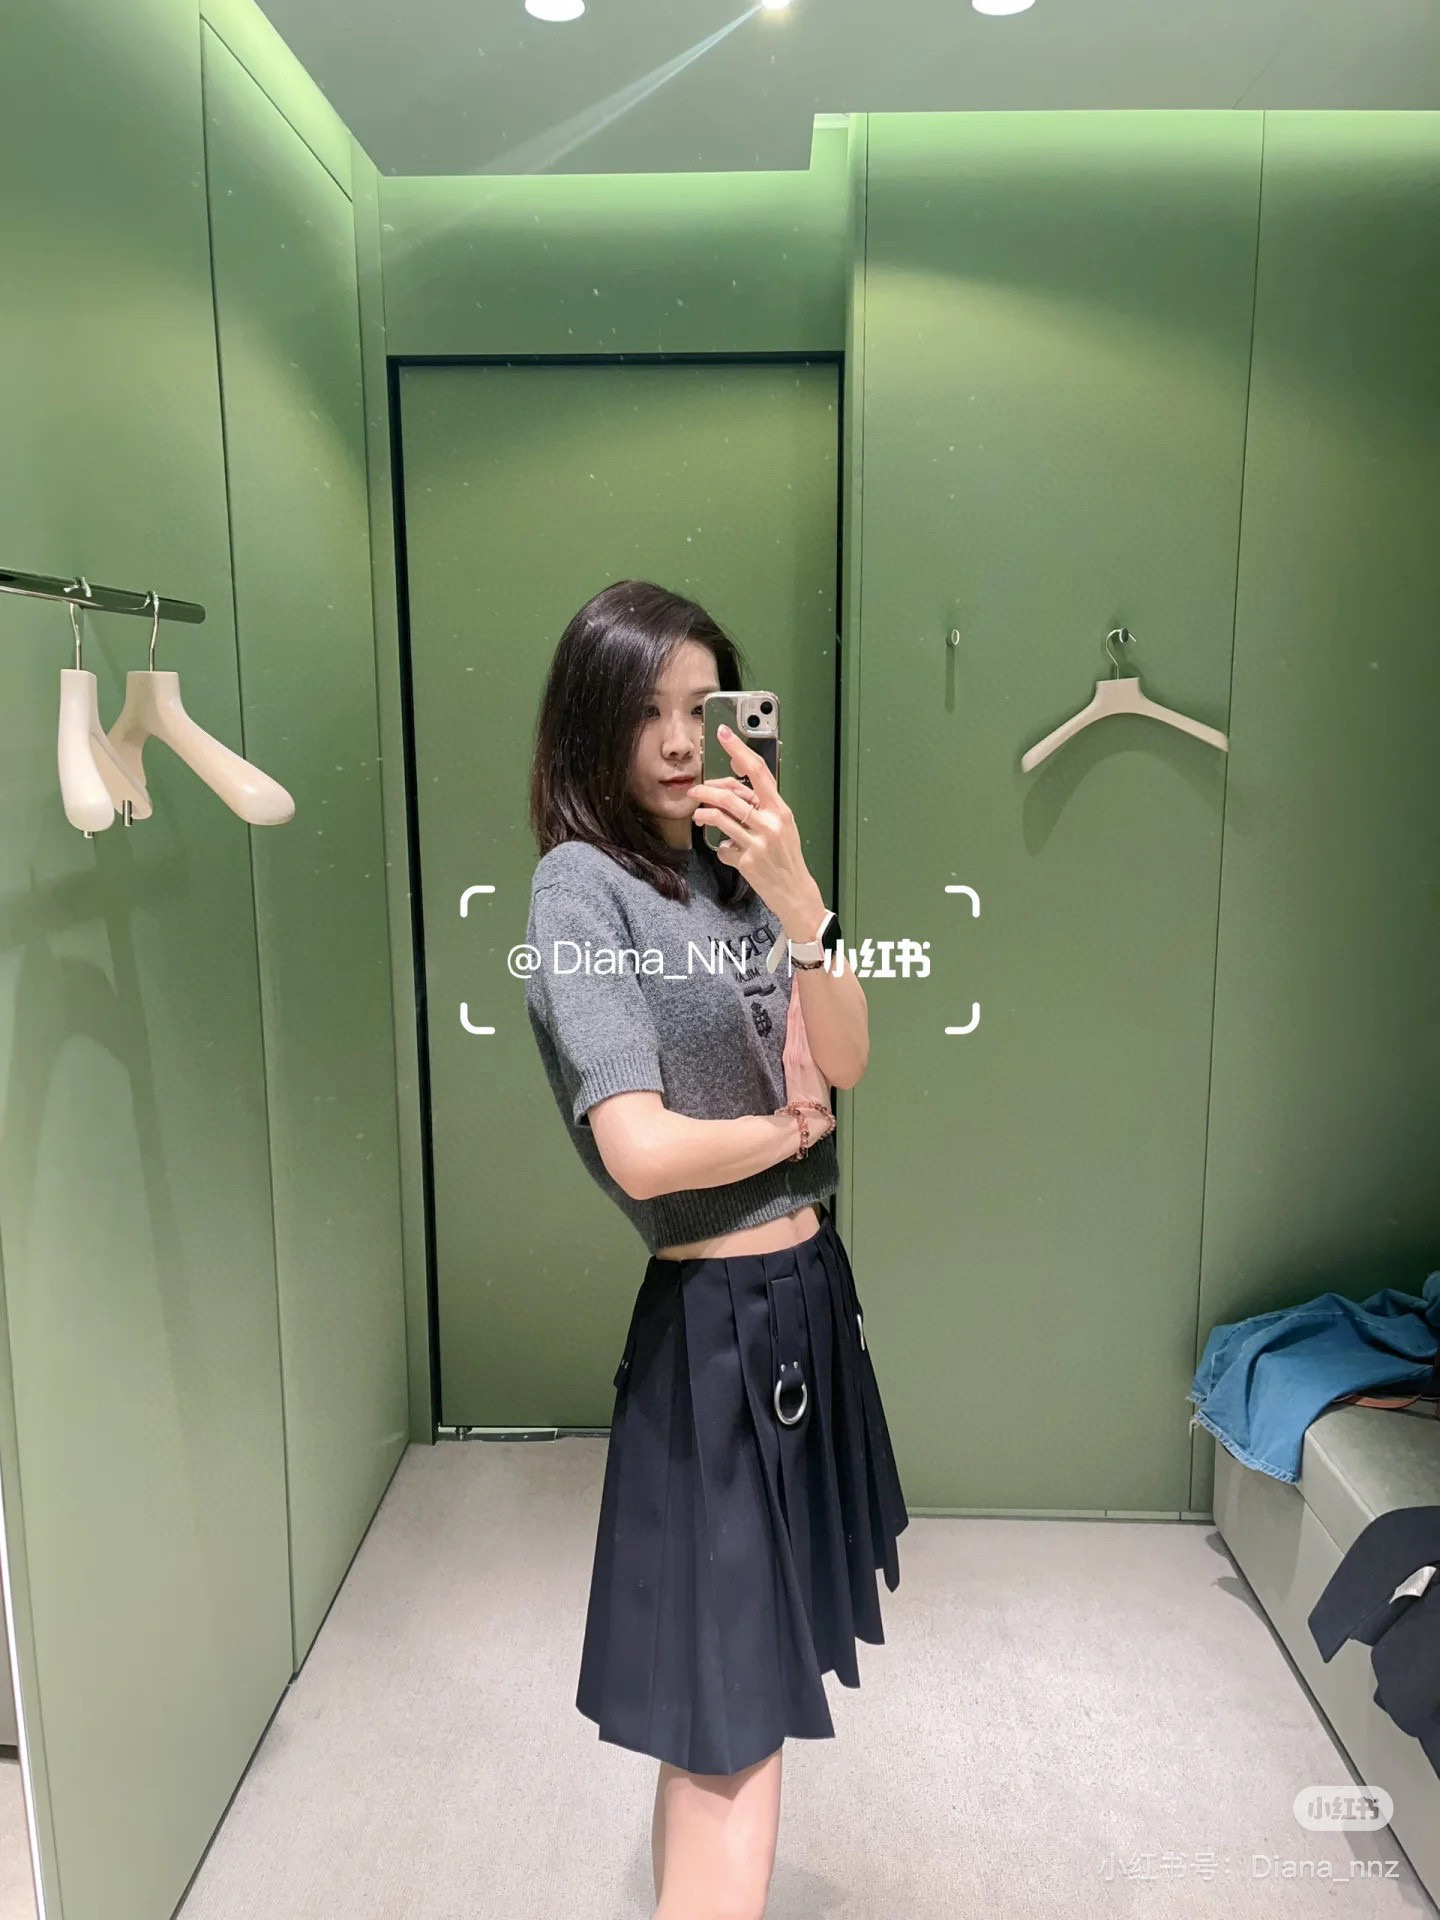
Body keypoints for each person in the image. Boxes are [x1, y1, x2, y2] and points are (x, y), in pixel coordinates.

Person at [524, 580, 908, 1920]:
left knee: (732, 1698)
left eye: (703, 707)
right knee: (730, 1716)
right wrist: (785, 1131)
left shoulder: (745, 870)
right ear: (594, 724)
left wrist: (801, 895)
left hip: (806, 1297)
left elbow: (847, 1054)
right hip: (714, 1326)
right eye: (649, 713)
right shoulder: (579, 889)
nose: (684, 740)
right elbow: (639, 1149)